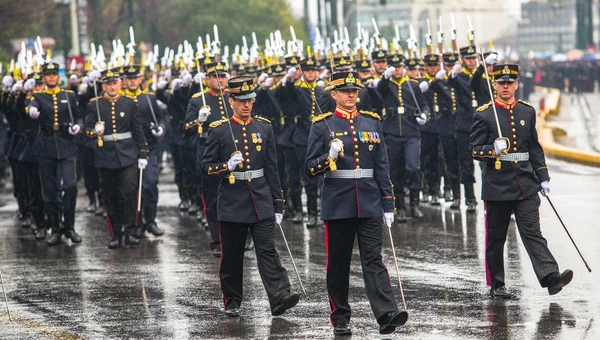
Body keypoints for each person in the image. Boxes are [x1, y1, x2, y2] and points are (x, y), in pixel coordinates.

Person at [306, 71, 407, 336]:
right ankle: (340, 317)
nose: (352, 94)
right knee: (338, 264)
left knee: (373, 259)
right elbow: (309, 168)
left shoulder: (371, 122)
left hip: (369, 200)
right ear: (334, 94)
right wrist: (329, 157)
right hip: (338, 203)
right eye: (346, 91)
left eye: (355, 90)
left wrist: (388, 203)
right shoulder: (321, 125)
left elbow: (381, 165)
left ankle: (386, 313)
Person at [469, 63, 573, 298]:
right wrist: (492, 150)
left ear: (516, 84)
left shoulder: (527, 111)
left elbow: (534, 148)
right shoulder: (484, 114)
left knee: (532, 232)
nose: (505, 87)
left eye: (509, 83)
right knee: (497, 238)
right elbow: (474, 150)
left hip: (525, 183)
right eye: (501, 83)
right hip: (497, 185)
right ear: (494, 86)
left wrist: (543, 177)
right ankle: (497, 284)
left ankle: (550, 278)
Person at [201, 76, 300, 317]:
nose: (247, 105)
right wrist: (226, 166)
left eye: (250, 100)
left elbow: (272, 168)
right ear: (231, 101)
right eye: (242, 101)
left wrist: (278, 202)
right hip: (232, 200)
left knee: (267, 249)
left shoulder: (264, 127)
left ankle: (280, 296)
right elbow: (204, 168)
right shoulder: (219, 130)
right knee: (232, 255)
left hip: (260, 197)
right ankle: (232, 299)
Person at [85, 68, 148, 249]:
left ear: (121, 83)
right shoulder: (94, 104)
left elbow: (137, 129)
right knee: (110, 196)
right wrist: (93, 132)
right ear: (103, 85)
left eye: (115, 83)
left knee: (128, 193)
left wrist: (143, 152)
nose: (112, 87)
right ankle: (115, 233)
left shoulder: (129, 103)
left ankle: (130, 230)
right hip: (105, 156)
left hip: (128, 155)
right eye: (108, 84)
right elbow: (86, 131)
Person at [28, 62, 83, 246]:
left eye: (54, 74)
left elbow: (79, 115)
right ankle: (55, 228)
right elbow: (31, 106)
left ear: (58, 77)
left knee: (70, 185)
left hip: (66, 144)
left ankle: (70, 226)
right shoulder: (38, 96)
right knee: (50, 190)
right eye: (48, 75)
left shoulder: (69, 95)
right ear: (44, 77)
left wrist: (78, 126)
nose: (51, 77)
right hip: (45, 145)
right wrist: (32, 111)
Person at [122, 65, 166, 237]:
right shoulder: (122, 99)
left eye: (135, 78)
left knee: (149, 183)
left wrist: (160, 128)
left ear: (140, 79)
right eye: (130, 78)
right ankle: (136, 223)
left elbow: (161, 118)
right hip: (129, 148)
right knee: (132, 187)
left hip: (149, 146)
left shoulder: (148, 98)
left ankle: (150, 220)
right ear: (125, 80)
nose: (133, 81)